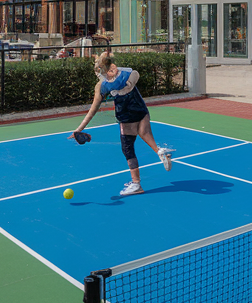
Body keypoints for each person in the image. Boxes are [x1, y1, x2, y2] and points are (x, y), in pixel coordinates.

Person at [72, 52, 175, 197]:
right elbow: (134, 77)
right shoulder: (126, 73)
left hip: (126, 116)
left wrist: (79, 129)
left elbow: (93, 110)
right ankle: (159, 151)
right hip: (141, 110)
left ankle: (136, 184)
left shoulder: (101, 86)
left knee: (127, 148)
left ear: (100, 69)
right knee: (145, 133)